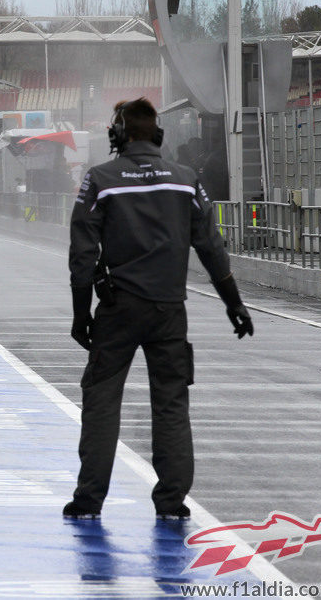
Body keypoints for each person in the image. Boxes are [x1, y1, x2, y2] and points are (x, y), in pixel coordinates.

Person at [65, 98, 253, 521]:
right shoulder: (187, 179)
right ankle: (171, 502)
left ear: (119, 135)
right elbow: (211, 247)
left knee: (101, 402)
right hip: (170, 310)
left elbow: (82, 252)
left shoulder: (101, 179)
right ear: (158, 135)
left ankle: (89, 501)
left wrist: (81, 315)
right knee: (171, 404)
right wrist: (234, 304)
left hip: (118, 310)